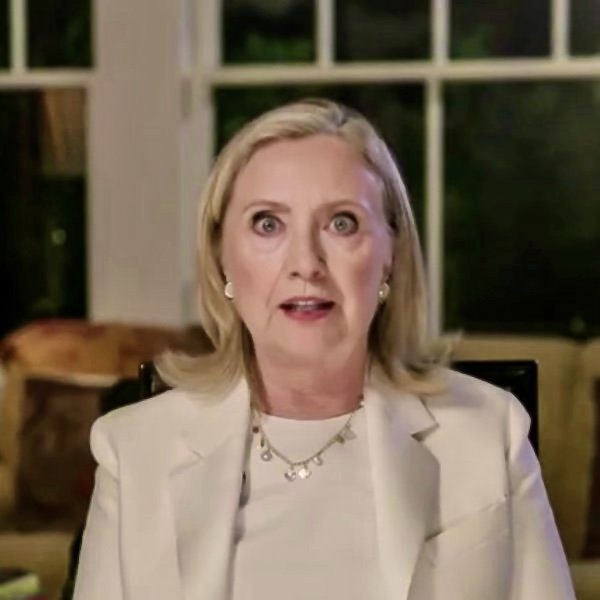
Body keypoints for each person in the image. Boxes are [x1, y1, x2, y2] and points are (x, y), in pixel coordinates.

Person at [73, 99, 575, 600]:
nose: (306, 263)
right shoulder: (133, 451)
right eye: (268, 224)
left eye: (341, 223)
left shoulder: (489, 432)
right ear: (221, 257)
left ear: (390, 256)